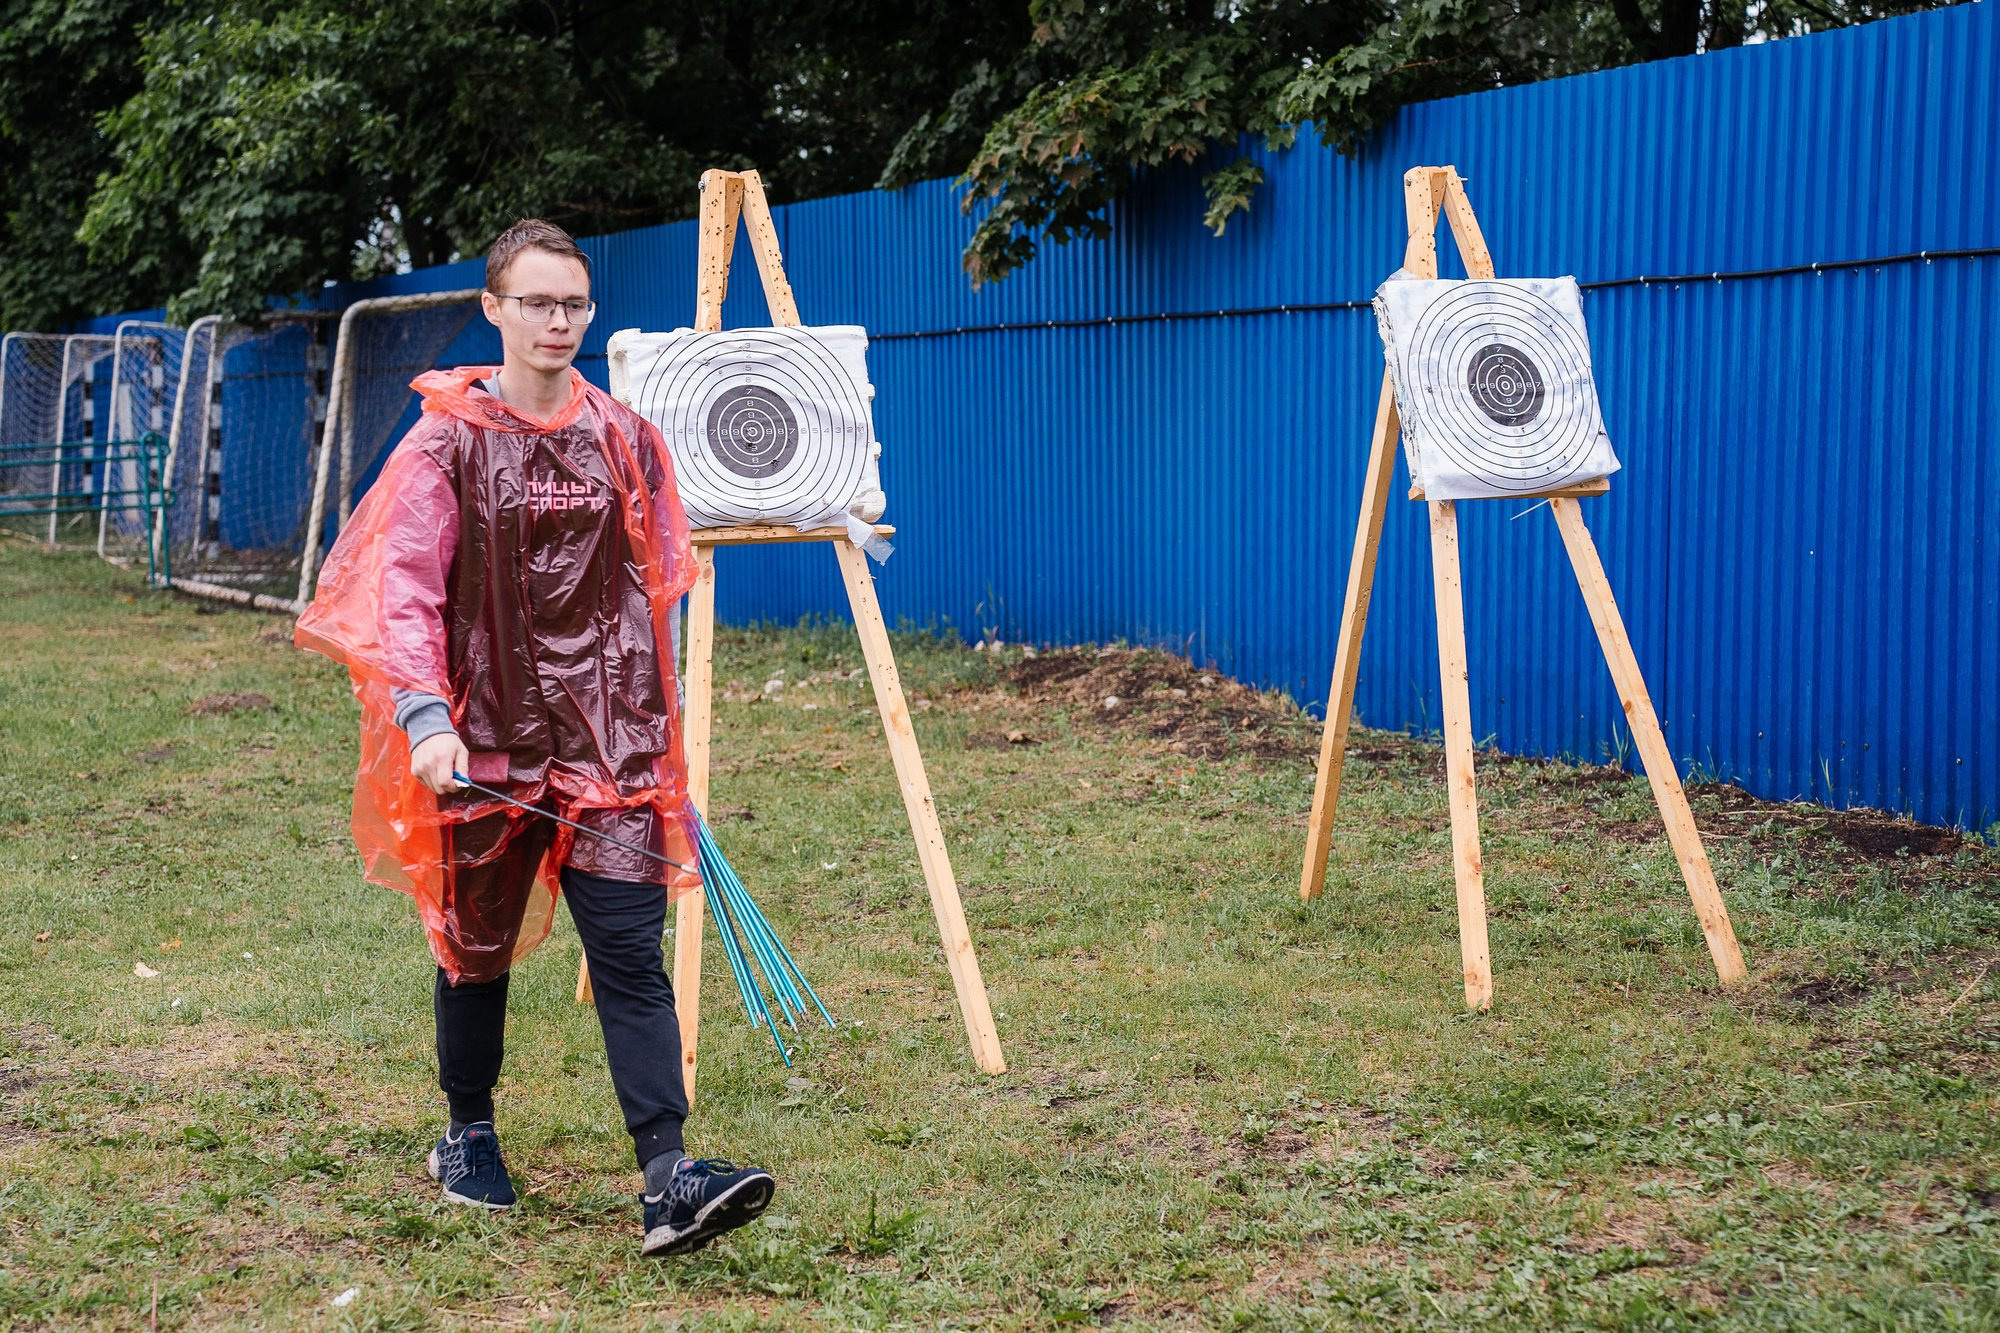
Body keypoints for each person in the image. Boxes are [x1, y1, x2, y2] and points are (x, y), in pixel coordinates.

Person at [296, 218, 773, 1257]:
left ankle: (668, 1176)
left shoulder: (625, 436)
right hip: (484, 742)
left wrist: (656, 738)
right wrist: (426, 718)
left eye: (573, 304)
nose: (558, 321)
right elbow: (407, 589)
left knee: (629, 950)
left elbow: (656, 585)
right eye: (537, 302)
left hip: (612, 743)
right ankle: (467, 1131)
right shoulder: (446, 442)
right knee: (475, 949)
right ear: (494, 309)